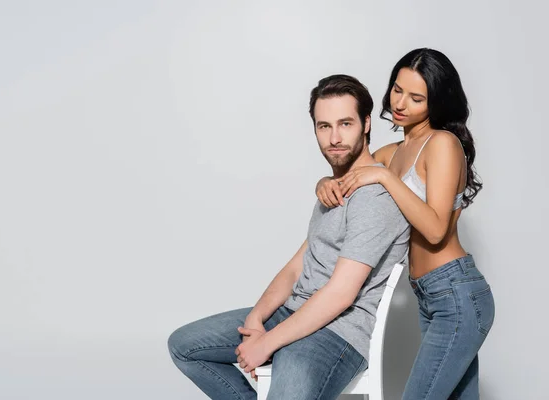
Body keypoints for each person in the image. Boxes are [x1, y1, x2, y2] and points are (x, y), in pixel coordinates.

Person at [168, 74, 410, 400]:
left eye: (345, 124)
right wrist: (257, 317)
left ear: (366, 124)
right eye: (324, 126)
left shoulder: (374, 200)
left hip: (336, 333)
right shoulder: (334, 189)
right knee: (185, 345)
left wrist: (266, 342)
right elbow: (297, 267)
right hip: (293, 314)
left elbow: (340, 294)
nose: (334, 137)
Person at [315, 48, 495, 399]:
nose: (400, 103)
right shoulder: (390, 152)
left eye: (416, 98)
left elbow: (434, 229)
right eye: (398, 89)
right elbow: (348, 175)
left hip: (456, 293)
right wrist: (323, 183)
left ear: (436, 102)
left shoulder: (442, 144)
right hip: (427, 296)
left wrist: (385, 179)